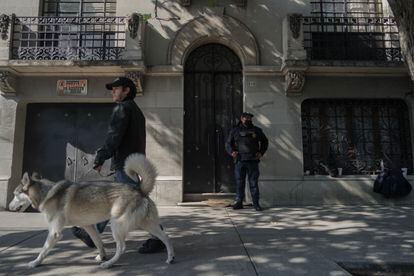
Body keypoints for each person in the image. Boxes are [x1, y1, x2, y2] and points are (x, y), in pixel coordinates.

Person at [71, 77, 165, 254]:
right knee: (119, 200)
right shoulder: (137, 111)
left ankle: (158, 237)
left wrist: (100, 157)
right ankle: (92, 232)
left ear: (127, 90)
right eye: (112, 89)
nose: (113, 91)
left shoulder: (123, 108)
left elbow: (114, 136)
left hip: (125, 165)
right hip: (131, 163)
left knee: (137, 201)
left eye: (116, 88)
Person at [225, 112, 268, 211]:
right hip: (240, 160)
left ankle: (256, 203)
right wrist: (232, 152)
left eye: (249, 117)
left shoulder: (256, 130)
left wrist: (261, 152)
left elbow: (265, 142)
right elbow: (228, 144)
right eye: (245, 117)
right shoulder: (235, 130)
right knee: (239, 182)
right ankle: (239, 202)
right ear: (241, 118)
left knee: (253, 183)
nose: (247, 119)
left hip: (253, 160)